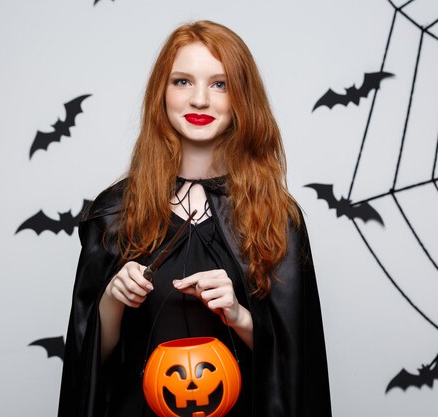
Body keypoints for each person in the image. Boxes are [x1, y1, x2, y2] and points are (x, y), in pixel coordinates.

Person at [57, 19, 332, 417]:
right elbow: (88, 364)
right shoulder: (116, 213)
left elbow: (297, 362)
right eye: (182, 82)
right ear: (161, 94)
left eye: (219, 84)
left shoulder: (277, 216)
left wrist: (240, 316)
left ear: (242, 98)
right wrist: (114, 299)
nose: (199, 99)